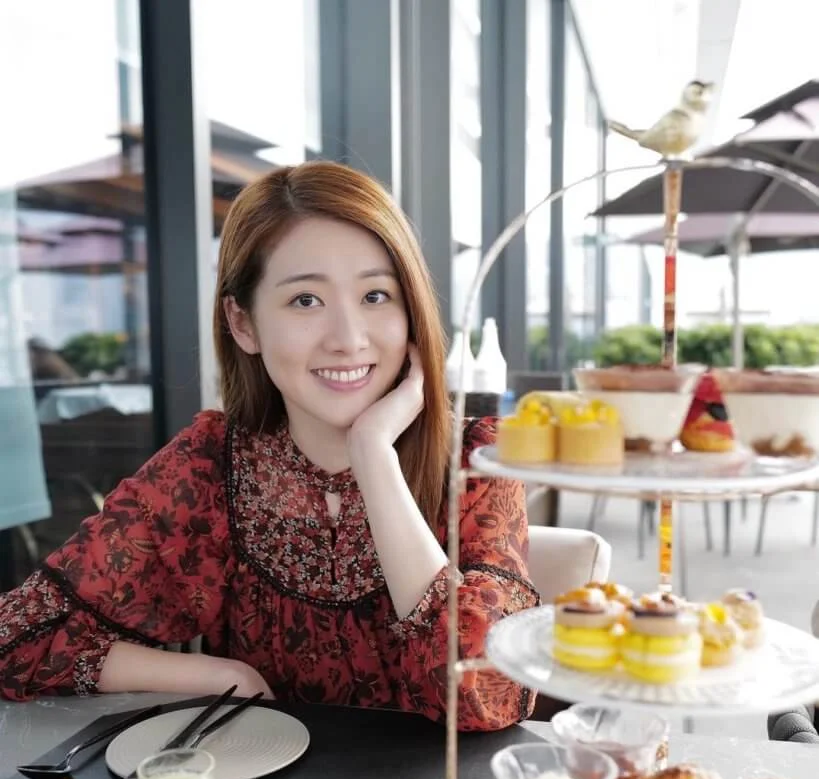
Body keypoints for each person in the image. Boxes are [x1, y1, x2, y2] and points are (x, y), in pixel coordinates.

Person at [0, 161, 538, 731]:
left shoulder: (479, 460)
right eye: (305, 300)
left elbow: (484, 692)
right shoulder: (209, 467)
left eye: (376, 295)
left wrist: (374, 454)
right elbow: (18, 634)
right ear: (244, 324)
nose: (348, 339)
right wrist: (218, 674)